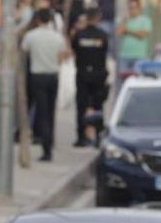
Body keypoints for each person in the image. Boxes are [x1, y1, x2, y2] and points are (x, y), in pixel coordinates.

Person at [21, 10, 69, 161]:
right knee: (50, 111)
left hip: (37, 75)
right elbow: (63, 55)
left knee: (41, 112)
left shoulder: (31, 35)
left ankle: (46, 147)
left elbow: (25, 50)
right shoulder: (57, 37)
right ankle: (50, 141)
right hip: (53, 75)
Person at [70, 12, 111, 147]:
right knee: (97, 106)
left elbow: (74, 48)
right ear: (98, 19)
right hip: (99, 74)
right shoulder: (103, 35)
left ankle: (81, 137)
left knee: (82, 106)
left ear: (86, 19)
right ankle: (98, 136)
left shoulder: (79, 34)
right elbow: (105, 50)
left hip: (82, 74)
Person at [117, 0, 153, 80]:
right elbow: (119, 32)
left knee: (139, 79)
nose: (131, 10)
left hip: (139, 56)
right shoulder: (125, 20)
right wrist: (124, 22)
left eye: (133, 7)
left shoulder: (145, 20)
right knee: (124, 80)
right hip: (125, 56)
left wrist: (128, 30)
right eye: (129, 8)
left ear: (139, 8)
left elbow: (142, 35)